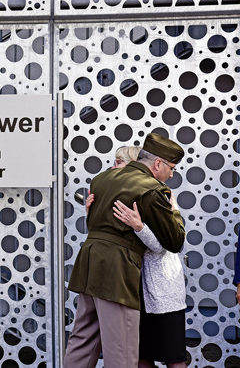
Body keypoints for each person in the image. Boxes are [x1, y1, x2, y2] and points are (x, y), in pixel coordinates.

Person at [64, 133, 186, 368]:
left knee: (82, 342)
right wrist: (174, 209)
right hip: (117, 272)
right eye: (171, 168)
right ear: (157, 164)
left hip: (89, 265)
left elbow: (99, 225)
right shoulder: (152, 189)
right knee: (122, 351)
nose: (171, 175)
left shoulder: (101, 179)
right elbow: (174, 241)